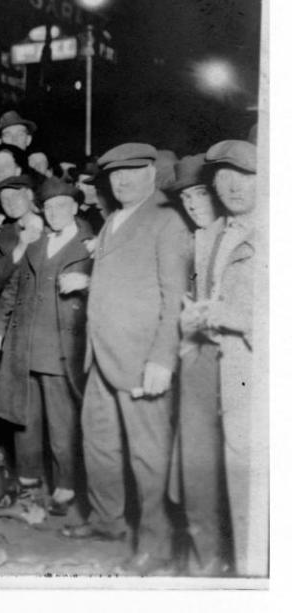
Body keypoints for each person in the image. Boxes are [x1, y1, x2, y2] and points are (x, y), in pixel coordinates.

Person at [63, 142, 191, 578]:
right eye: (115, 174)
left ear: (152, 173)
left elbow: (174, 297)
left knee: (149, 455)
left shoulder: (166, 220)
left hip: (140, 358)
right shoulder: (114, 218)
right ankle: (107, 522)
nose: (122, 180)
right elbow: (121, 277)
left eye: (133, 172)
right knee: (98, 442)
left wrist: (162, 359)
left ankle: (156, 544)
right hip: (101, 353)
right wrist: (87, 279)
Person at [0, 178, 93, 516]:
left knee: (62, 424)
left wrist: (87, 284)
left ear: (75, 208)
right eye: (48, 207)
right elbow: (13, 288)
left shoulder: (91, 244)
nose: (54, 212)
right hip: (25, 346)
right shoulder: (35, 242)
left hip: (63, 348)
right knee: (24, 419)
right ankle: (28, 480)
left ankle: (65, 486)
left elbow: (110, 287)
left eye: (61, 206)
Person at [180, 141, 263, 576]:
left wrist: (237, 318)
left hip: (259, 378)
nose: (231, 186)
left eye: (244, 176)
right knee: (235, 480)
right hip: (223, 373)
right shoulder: (214, 234)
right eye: (222, 177)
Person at [165, 153, 228, 576]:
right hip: (195, 359)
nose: (192, 203)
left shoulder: (233, 234)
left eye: (200, 193)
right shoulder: (196, 237)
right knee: (192, 462)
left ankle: (214, 558)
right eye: (186, 196)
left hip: (226, 362)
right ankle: (201, 556)